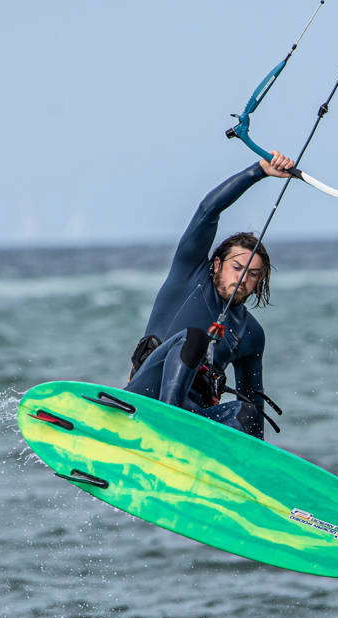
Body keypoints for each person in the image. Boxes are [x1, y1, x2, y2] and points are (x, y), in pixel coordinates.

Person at [124, 151, 296, 440]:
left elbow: (251, 397)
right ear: (217, 264)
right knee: (194, 337)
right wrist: (259, 171)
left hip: (194, 415)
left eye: (253, 274)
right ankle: (169, 422)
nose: (243, 278)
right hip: (145, 395)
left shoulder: (251, 333)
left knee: (248, 411)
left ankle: (231, 469)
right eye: (237, 267)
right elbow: (208, 211)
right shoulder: (189, 275)